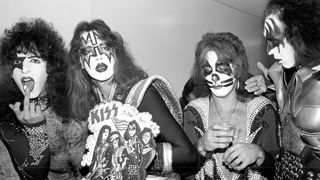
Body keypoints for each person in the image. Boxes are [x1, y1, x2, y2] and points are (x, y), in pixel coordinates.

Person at [67, 19, 202, 179]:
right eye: (88, 51)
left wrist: (132, 157)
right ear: (81, 62)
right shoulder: (92, 102)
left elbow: (188, 155)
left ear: (115, 53)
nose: (98, 56)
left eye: (104, 47)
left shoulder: (141, 94)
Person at [183, 32, 281, 179]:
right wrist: (201, 146)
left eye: (222, 68)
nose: (214, 77)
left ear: (237, 67)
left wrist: (259, 154)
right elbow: (182, 171)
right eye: (208, 70)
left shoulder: (263, 110)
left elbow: (279, 170)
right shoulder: (192, 112)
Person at [0, 18, 87, 180]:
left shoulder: (75, 97)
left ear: (51, 66)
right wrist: (36, 130)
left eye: (34, 60)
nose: (24, 69)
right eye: (17, 61)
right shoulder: (10, 113)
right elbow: (34, 175)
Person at [249, 0, 320, 179]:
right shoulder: (299, 76)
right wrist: (275, 86)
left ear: (301, 32)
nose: (270, 51)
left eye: (275, 40)